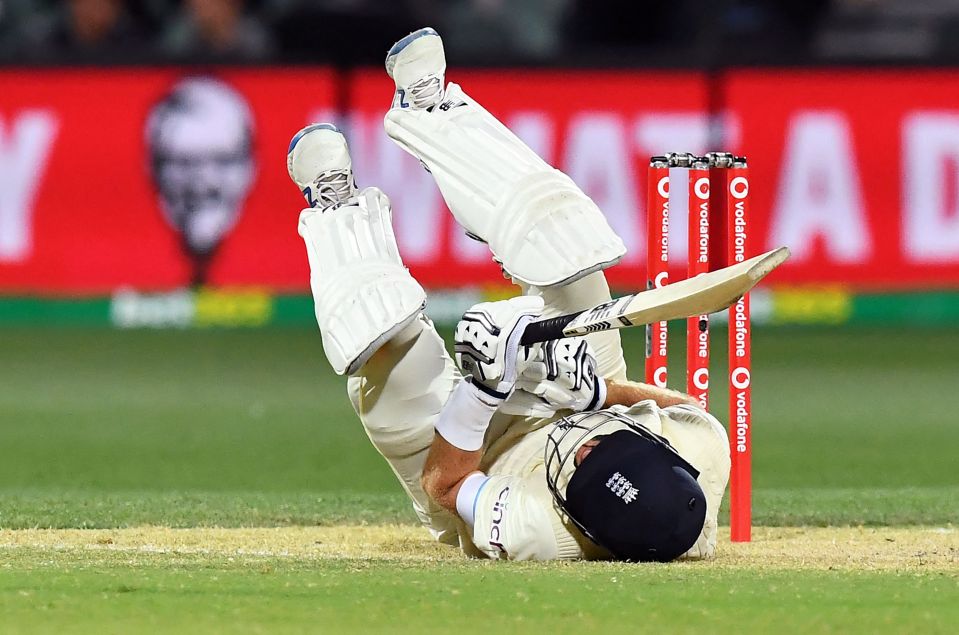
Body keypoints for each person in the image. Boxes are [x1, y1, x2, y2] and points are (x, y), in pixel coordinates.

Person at [287, 28, 730, 561]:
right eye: (603, 451)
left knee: (378, 330)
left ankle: (339, 214)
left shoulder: (538, 530)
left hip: (479, 458)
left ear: (581, 525)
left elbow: (445, 488)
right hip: (579, 398)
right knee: (565, 241)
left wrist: (485, 390)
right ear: (663, 454)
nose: (583, 449)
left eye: (579, 472)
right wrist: (596, 394)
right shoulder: (702, 452)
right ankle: (434, 113)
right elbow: (682, 408)